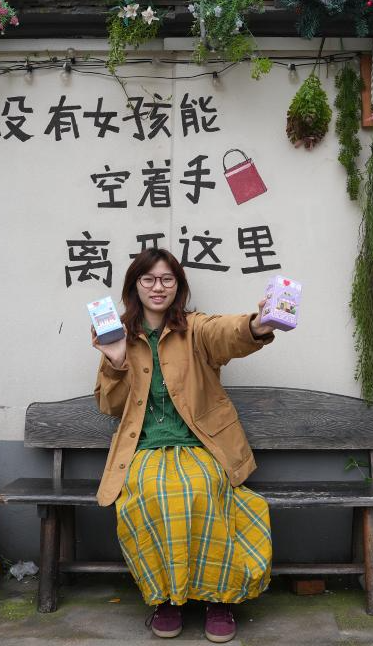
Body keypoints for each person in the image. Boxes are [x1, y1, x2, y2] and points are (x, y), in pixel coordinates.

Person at [92, 248, 280, 643]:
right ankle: (166, 598)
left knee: (201, 488)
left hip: (201, 446)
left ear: (178, 286)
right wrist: (116, 361)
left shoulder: (195, 328)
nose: (157, 287)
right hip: (144, 450)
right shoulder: (118, 335)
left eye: (167, 279)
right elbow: (110, 405)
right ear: (134, 286)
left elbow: (226, 332)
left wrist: (257, 324)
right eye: (148, 279)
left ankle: (218, 599)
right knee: (150, 494)